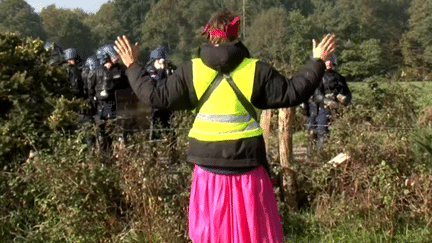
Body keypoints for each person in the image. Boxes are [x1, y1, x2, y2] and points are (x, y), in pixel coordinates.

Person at [115, 8, 335, 243]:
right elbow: (292, 92)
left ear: (209, 35)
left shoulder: (191, 71)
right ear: (236, 35)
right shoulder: (255, 69)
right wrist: (317, 62)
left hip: (208, 174)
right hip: (248, 171)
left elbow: (156, 96)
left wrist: (132, 65)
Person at [302, 53, 351, 151]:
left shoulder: (339, 77)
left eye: (330, 61)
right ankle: (317, 155)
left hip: (336, 109)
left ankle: (326, 154)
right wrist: (327, 101)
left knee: (336, 133)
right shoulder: (316, 76)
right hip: (319, 108)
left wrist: (344, 99)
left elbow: (347, 93)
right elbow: (316, 94)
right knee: (318, 132)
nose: (328, 63)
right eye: (326, 61)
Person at [89, 44, 130, 158]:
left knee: (120, 136)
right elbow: (90, 90)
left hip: (118, 108)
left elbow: (126, 87)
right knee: (103, 137)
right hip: (102, 109)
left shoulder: (120, 71)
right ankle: (106, 159)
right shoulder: (96, 72)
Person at [146, 45, 176, 141]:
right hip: (155, 107)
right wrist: (161, 71)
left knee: (170, 131)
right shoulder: (150, 72)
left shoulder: (169, 69)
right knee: (155, 133)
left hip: (168, 105)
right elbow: (158, 85)